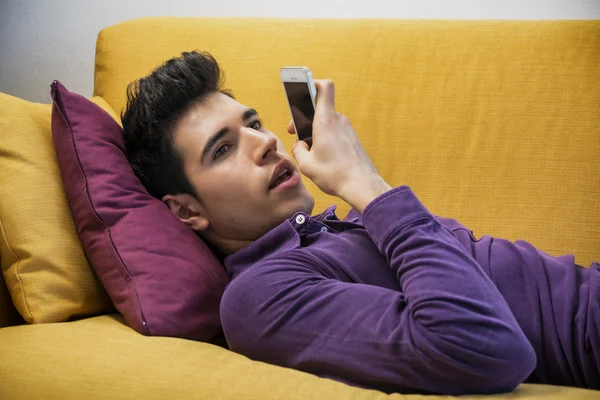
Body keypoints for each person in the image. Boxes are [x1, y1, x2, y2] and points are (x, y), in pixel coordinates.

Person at [121, 51, 599, 395]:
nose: (263, 142)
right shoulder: (260, 295)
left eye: (254, 123)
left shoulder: (342, 228)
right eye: (222, 149)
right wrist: (365, 182)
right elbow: (483, 350)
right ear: (187, 210)